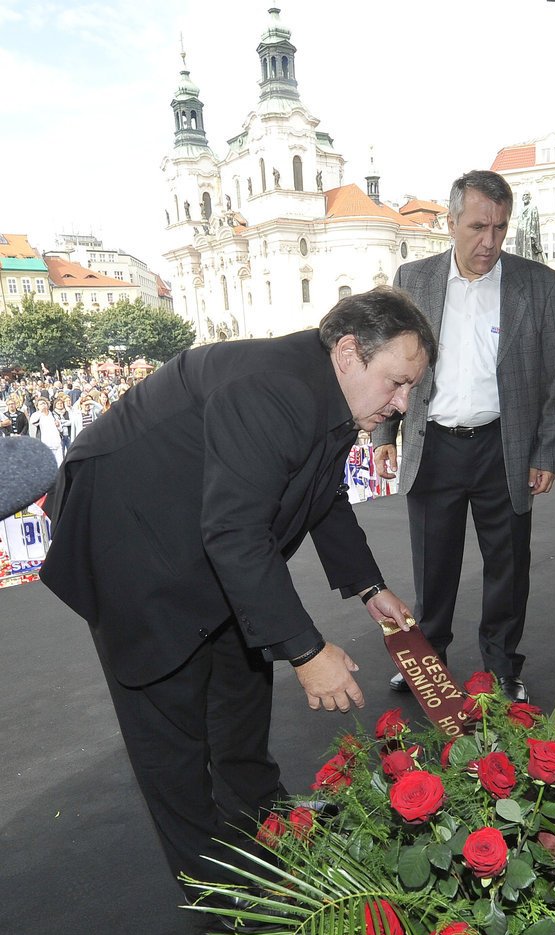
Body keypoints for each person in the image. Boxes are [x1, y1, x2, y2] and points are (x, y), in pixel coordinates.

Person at [41, 288, 435, 893]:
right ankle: (216, 886)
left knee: (242, 677)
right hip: (130, 539)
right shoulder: (275, 389)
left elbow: (320, 489)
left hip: (202, 526)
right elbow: (234, 532)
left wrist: (368, 586)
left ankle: (261, 818)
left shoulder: (331, 386)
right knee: (168, 716)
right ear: (351, 352)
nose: (403, 403)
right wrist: (307, 651)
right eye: (398, 383)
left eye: (411, 388)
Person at [373, 169, 555, 703]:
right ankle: (428, 661)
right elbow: (391, 362)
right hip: (432, 443)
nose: (490, 242)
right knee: (432, 565)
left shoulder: (540, 284)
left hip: (503, 445)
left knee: (508, 566)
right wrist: (385, 433)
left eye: (501, 229)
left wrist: (547, 450)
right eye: (479, 226)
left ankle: (502, 667)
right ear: (452, 220)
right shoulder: (413, 279)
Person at [28, 397, 64, 463]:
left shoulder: (53, 415)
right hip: (45, 445)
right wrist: (40, 412)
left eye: (44, 403)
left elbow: (61, 430)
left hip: (57, 444)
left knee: (60, 465)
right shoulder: (36, 415)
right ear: (37, 407)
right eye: (41, 404)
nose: (43, 405)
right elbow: (33, 422)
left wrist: (58, 425)